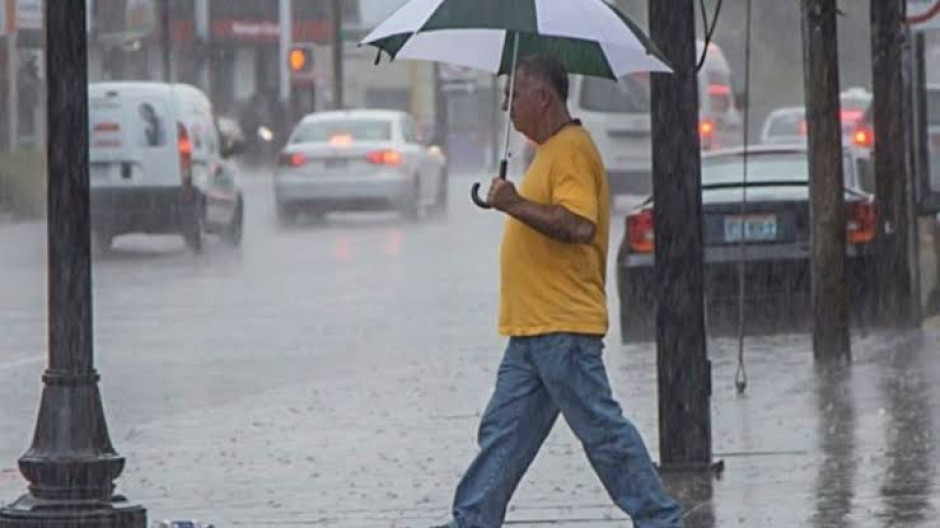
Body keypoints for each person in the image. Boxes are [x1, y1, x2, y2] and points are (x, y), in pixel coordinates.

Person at [432, 55, 682, 528]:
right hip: (532, 330)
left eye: (513, 95)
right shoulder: (548, 150)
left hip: (562, 328)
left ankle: (660, 520)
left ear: (543, 97)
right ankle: (473, 520)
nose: (507, 105)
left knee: (603, 434)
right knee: (503, 434)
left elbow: (578, 224)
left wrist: (515, 204)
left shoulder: (570, 149)